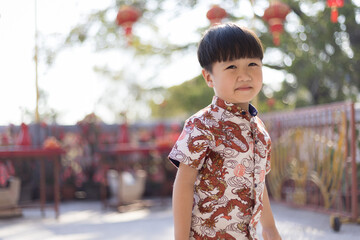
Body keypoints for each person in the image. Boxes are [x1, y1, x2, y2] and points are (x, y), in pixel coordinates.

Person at [168, 22, 281, 240]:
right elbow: (183, 184)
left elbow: (258, 182)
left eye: (252, 64)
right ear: (209, 77)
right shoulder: (201, 125)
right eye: (231, 67)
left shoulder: (259, 128)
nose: (245, 75)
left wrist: (270, 228)